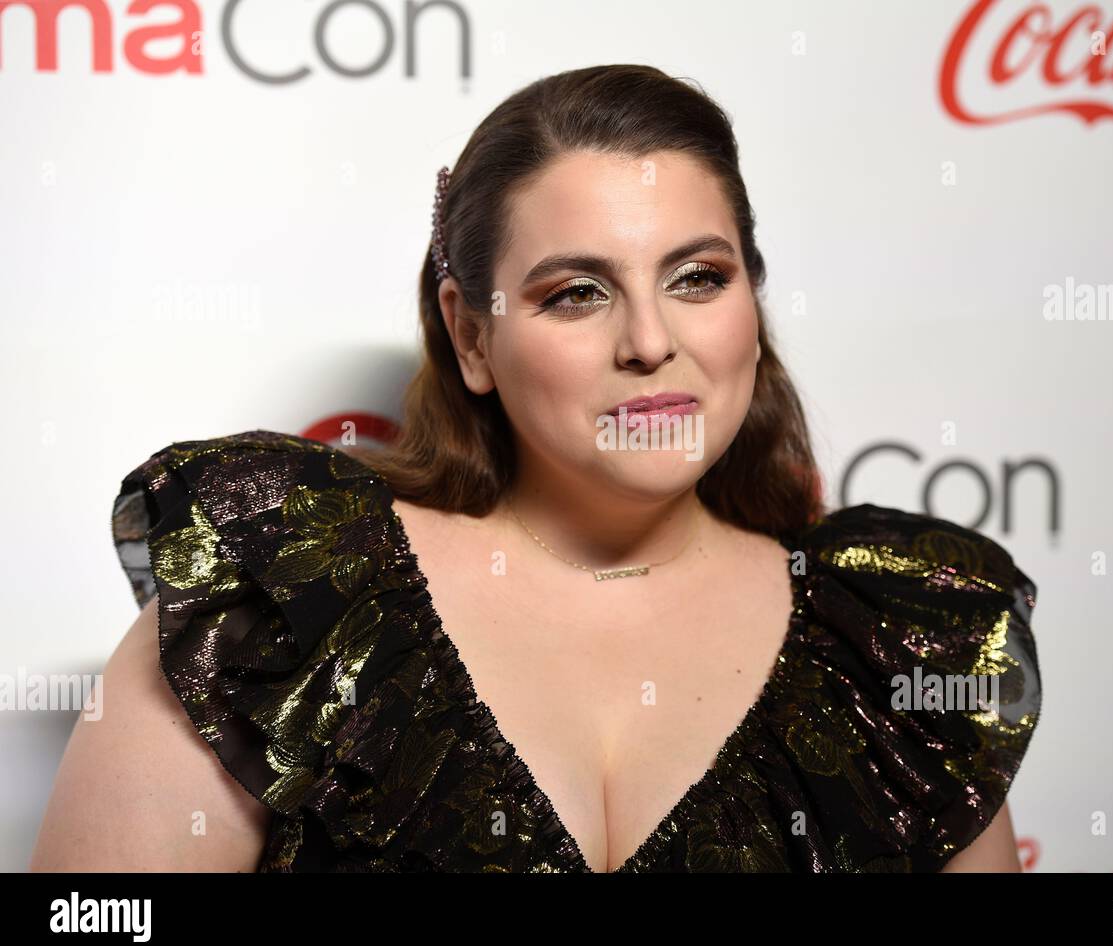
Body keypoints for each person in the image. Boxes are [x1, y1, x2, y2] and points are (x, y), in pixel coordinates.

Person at [30, 64, 1041, 873]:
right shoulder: (289, 598)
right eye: (575, 294)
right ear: (471, 336)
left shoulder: (892, 637)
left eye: (698, 277)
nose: (651, 340)